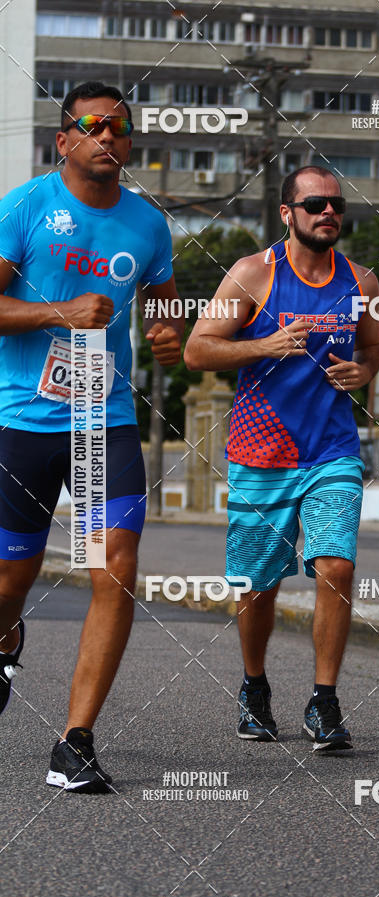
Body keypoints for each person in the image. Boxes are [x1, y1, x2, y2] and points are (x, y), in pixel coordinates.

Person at [0, 81, 182, 792]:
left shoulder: (149, 225)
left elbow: (166, 316)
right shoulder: (26, 207)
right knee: (13, 575)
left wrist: (169, 339)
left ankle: (75, 741)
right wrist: (58, 311)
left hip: (103, 419)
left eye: (121, 129)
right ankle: (7, 638)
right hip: (22, 419)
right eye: (95, 126)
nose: (110, 137)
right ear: (65, 140)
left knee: (117, 564)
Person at [184, 165, 379, 751]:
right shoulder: (252, 275)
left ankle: (324, 701)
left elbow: (373, 350)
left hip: (332, 449)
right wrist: (264, 345)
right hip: (262, 451)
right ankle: (254, 686)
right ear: (287, 214)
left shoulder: (363, 281)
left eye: (337, 204)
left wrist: (362, 372)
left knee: (337, 567)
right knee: (257, 583)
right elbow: (197, 350)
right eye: (315, 203)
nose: (328, 213)